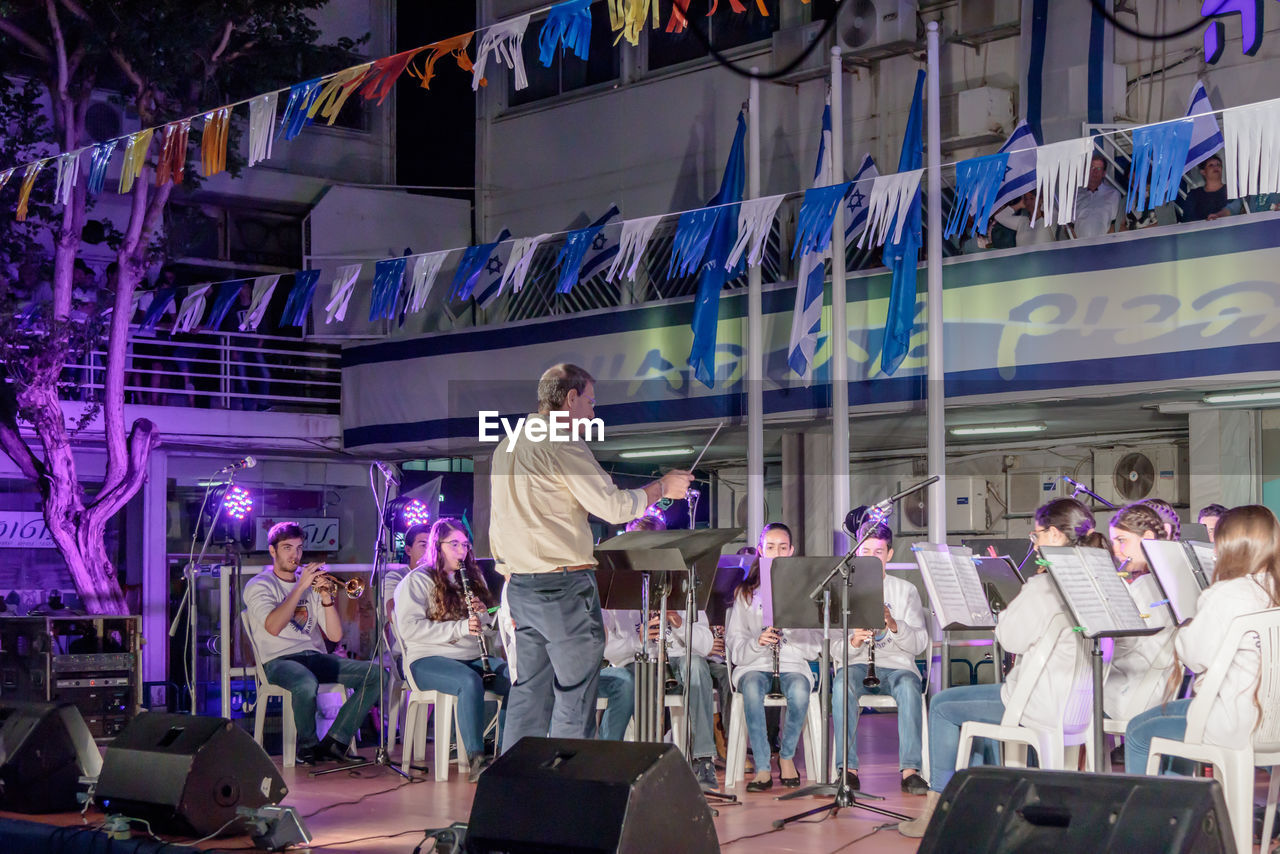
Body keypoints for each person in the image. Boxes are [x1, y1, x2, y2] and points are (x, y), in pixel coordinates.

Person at [491, 363, 693, 757]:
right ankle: (567, 789)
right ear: (570, 398)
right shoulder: (562, 441)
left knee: (528, 691)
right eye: (590, 402)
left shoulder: (508, 444)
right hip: (562, 585)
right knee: (574, 693)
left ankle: (515, 787)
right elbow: (614, 507)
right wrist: (661, 487)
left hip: (521, 586)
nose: (593, 413)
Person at [899, 498, 1096, 837]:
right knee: (970, 702)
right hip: (1078, 704)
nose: (1034, 544)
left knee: (944, 705)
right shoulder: (1092, 581)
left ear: (1053, 534)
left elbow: (1010, 639)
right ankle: (981, 798)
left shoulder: (1044, 585)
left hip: (1038, 703)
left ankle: (938, 811)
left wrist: (1008, 608)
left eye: (1036, 536)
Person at [1124, 505, 1280, 774]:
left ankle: (1159, 813)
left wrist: (1187, 624)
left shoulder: (1226, 593)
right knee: (1169, 716)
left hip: (1232, 724)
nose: (1215, 551)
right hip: (1272, 719)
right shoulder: (1273, 588)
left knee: (1137, 734)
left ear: (1230, 547)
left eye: (1218, 543)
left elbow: (1194, 658)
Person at [244, 522, 381, 765]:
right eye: (287, 548)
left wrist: (326, 598)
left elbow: (335, 636)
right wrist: (300, 587)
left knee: (377, 674)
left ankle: (335, 742)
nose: (294, 555)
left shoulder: (310, 585)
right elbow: (273, 626)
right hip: (278, 661)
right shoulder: (259, 585)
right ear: (273, 551)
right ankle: (307, 747)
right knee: (306, 683)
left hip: (314, 657)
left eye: (298, 548)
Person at [395, 517, 510, 782]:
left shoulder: (472, 578)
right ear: (437, 545)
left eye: (465, 545)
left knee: (519, 679)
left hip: (471, 656)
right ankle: (477, 760)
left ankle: (505, 753)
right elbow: (410, 629)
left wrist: (486, 616)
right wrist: (460, 628)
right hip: (427, 659)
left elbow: (486, 628)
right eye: (454, 544)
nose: (462, 551)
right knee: (469, 681)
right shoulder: (417, 581)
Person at [831, 521, 929, 795]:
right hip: (858, 665)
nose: (872, 557)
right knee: (841, 684)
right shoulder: (844, 589)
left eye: (878, 552)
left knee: (910, 688)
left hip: (897, 668)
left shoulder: (905, 590)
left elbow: (920, 644)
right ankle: (847, 769)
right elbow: (835, 650)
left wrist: (893, 625)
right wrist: (854, 640)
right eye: (866, 551)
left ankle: (910, 770)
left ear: (889, 554)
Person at [726, 536, 821, 792]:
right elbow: (735, 643)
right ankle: (762, 766)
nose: (776, 552)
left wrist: (791, 631)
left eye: (782, 547)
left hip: (792, 664)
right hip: (754, 663)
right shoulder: (746, 593)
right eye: (770, 547)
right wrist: (758, 642)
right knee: (753, 689)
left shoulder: (806, 592)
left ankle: (786, 755)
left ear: (791, 550)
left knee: (801, 691)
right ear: (761, 550)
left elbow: (815, 647)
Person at [1105, 503, 1179, 721]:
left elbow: (1125, 644)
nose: (1116, 550)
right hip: (1161, 691)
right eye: (1113, 542)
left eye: (1122, 541)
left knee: (1066, 699)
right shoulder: (1171, 579)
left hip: (1135, 694)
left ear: (1147, 538)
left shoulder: (1145, 588)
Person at [1071, 152, 1122, 239]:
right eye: (1091, 168)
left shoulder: (1113, 194)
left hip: (1104, 245)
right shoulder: (1075, 195)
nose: (1094, 172)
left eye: (1098, 168)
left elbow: (1115, 223)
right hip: (1079, 246)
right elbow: (1069, 226)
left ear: (1104, 173)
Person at [1179, 154, 1235, 222]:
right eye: (1211, 165)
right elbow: (1188, 220)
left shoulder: (1232, 191)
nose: (1216, 167)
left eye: (1218, 165)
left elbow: (1238, 210)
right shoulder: (1194, 195)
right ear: (1203, 172)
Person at [992, 191, 1056, 247]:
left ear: (1041, 200)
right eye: (1025, 199)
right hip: (1022, 260)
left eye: (1031, 198)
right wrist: (1020, 204)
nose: (1028, 202)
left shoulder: (1049, 220)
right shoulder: (1022, 221)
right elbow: (999, 217)